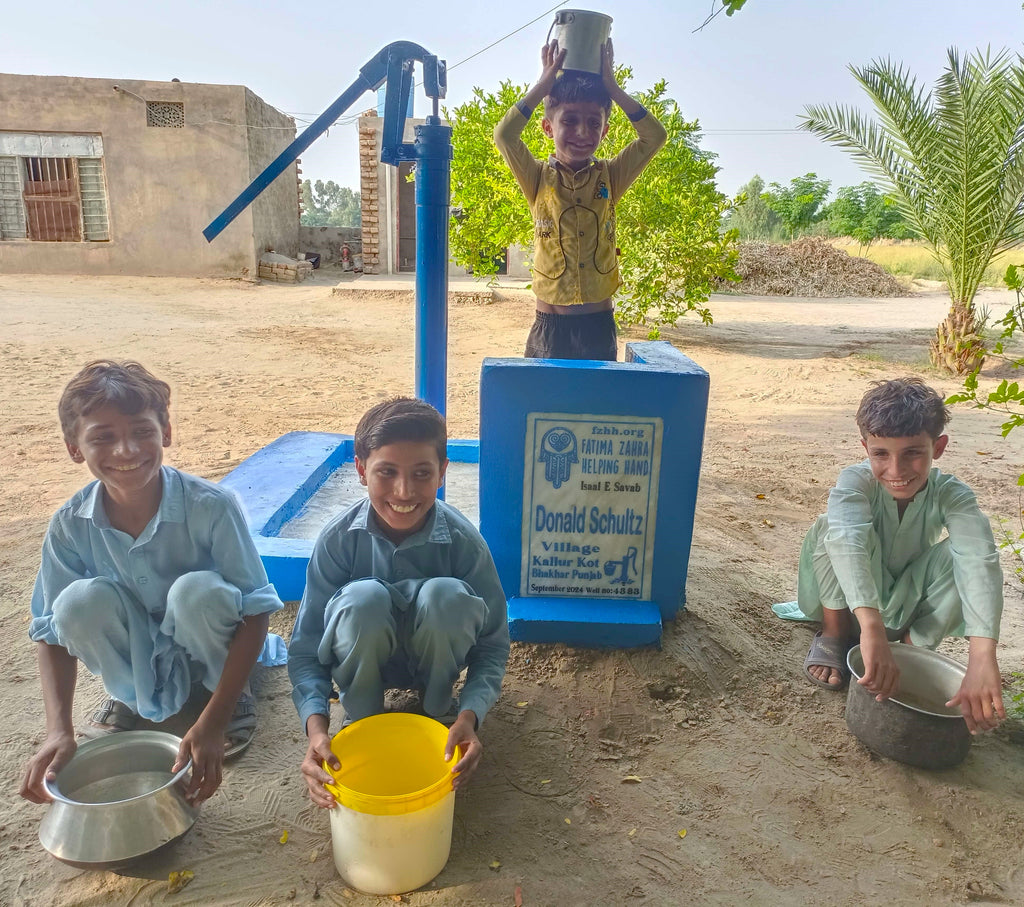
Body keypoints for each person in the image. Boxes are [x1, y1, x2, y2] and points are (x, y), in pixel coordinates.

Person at [19, 360, 283, 806]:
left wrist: (214, 720)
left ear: (166, 432)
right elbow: (50, 632)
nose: (126, 450)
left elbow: (256, 610)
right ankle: (135, 695)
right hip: (142, 652)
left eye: (142, 431)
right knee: (76, 604)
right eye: (102, 436)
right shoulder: (69, 524)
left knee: (195, 592)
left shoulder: (211, 506)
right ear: (74, 448)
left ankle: (230, 697)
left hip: (215, 643)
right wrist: (57, 730)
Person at [288, 398, 510, 809]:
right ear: (359, 470)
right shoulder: (337, 541)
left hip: (438, 665)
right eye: (386, 472)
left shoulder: (465, 544)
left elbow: (494, 645)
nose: (404, 492)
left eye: (422, 474)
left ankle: (439, 712)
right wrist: (317, 731)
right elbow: (305, 650)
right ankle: (363, 720)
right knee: (362, 599)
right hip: (364, 662)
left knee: (445, 596)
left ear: (443, 472)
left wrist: (471, 715)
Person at [789, 378, 1005, 733]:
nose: (896, 471)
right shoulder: (854, 483)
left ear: (939, 447)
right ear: (865, 448)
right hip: (849, 603)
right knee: (832, 528)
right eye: (881, 454)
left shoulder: (953, 495)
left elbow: (978, 559)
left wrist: (982, 656)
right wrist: (870, 628)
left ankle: (908, 649)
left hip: (905, 603)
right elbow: (847, 542)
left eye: (913, 453)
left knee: (963, 555)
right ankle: (833, 632)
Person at [494, 38, 667, 361]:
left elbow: (654, 136)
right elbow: (504, 136)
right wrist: (544, 84)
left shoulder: (610, 177)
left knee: (595, 409)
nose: (582, 132)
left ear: (604, 132)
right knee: (545, 408)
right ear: (548, 126)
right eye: (569, 120)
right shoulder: (536, 177)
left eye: (593, 123)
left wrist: (612, 89)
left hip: (598, 328)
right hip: (550, 329)